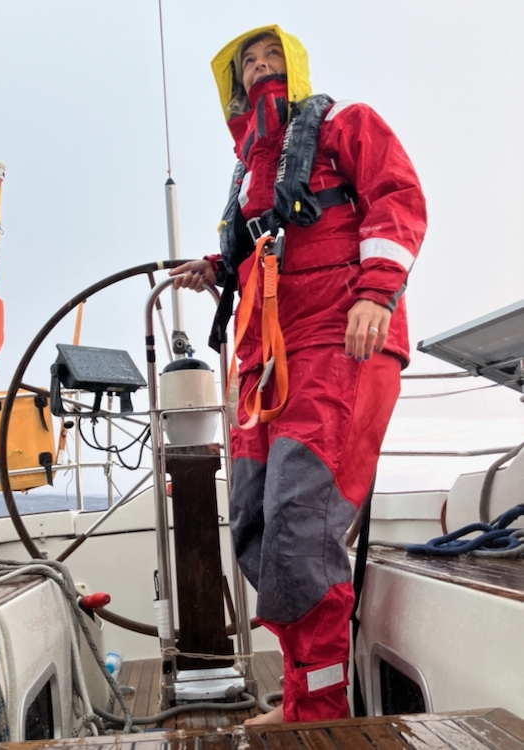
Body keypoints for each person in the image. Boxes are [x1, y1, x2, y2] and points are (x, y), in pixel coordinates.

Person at [170, 25, 426, 724]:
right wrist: (217, 268)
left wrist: (375, 292)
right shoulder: (251, 174)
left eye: (269, 54)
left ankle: (319, 718)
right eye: (245, 61)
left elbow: (396, 200)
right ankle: (298, 700)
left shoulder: (346, 123)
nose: (257, 66)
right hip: (265, 359)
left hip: (337, 340)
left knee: (299, 526)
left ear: (296, 64)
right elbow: (270, 238)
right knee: (255, 524)